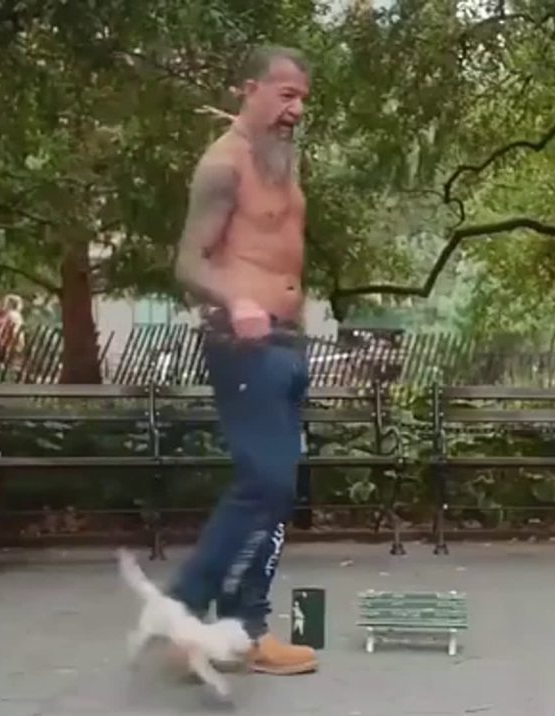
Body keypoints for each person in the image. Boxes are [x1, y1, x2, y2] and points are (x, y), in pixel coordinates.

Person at [167, 45, 317, 674]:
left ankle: (243, 628)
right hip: (243, 346)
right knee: (266, 483)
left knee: (277, 493)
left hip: (285, 346)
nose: (295, 110)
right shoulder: (222, 166)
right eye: (285, 95)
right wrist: (236, 300)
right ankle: (183, 614)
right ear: (248, 90)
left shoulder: (279, 164)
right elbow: (188, 261)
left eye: (302, 99)